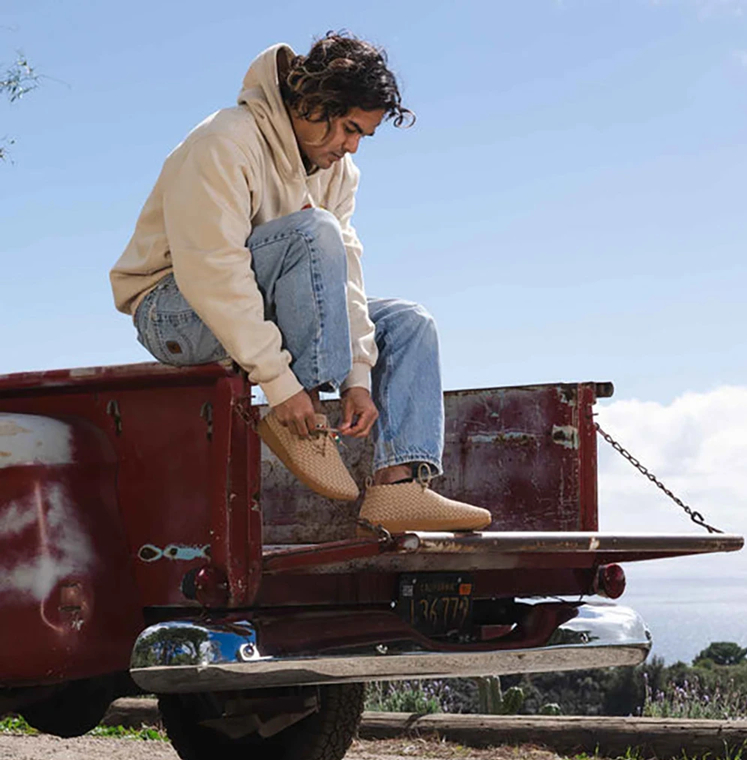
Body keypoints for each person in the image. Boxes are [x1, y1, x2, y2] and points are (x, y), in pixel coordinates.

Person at [110, 33, 491, 534]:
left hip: (263, 302)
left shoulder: (338, 172)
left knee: (406, 322)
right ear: (313, 103)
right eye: (349, 128)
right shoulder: (224, 141)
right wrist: (283, 386)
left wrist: (358, 378)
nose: (352, 146)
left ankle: (398, 488)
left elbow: (344, 273)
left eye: (363, 136)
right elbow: (212, 272)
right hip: (177, 310)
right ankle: (303, 416)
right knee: (314, 231)